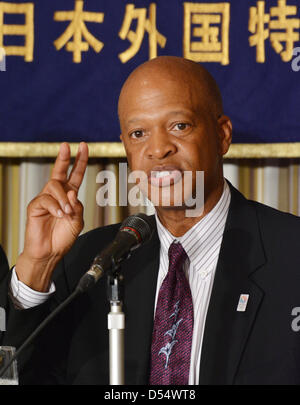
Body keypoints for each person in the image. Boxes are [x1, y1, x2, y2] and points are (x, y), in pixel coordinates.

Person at [1, 56, 300, 385]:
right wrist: (37, 268)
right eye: (138, 133)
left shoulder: (291, 254)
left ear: (222, 135)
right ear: (126, 149)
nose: (158, 149)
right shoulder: (91, 263)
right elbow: (23, 377)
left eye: (179, 126)